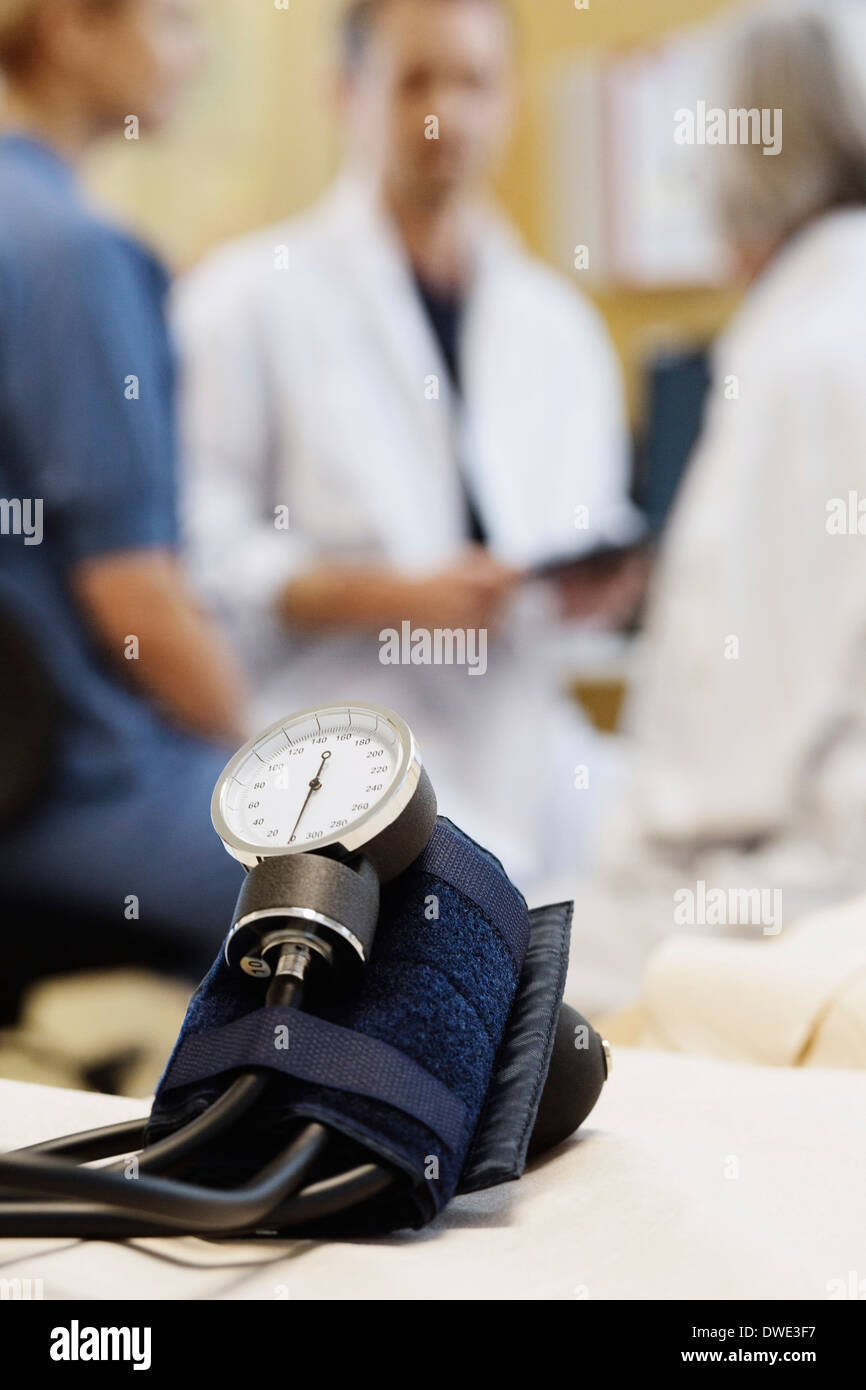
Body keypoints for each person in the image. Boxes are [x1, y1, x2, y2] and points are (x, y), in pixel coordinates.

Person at [175, 0, 645, 896]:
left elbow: (586, 532)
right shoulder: (245, 304)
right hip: (332, 756)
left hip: (527, 744)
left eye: (474, 83)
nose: (447, 116)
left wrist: (598, 588)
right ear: (347, 93)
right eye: (415, 80)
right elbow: (203, 557)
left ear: (508, 100)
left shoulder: (559, 327)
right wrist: (388, 596)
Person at [566, 0, 866, 1014]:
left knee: (461, 977)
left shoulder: (802, 360)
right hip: (816, 859)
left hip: (788, 893)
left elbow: (725, 770)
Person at [0, 0, 247, 973]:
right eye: (174, 16)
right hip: (70, 793)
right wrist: (283, 761)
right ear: (69, 24)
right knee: (425, 887)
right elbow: (133, 593)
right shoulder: (73, 254)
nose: (194, 51)